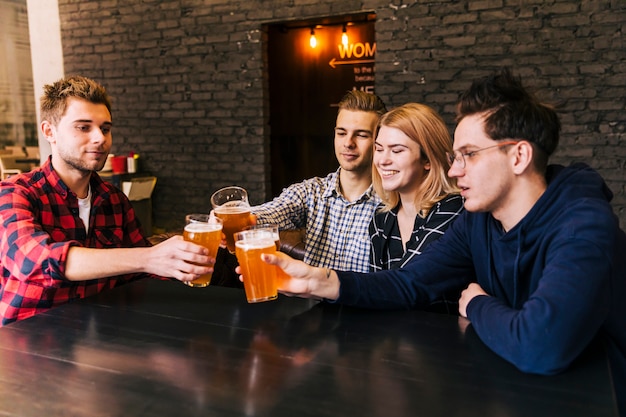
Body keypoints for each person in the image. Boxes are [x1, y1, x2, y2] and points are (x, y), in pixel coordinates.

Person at [261, 68, 626, 412]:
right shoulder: (477, 222)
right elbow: (409, 283)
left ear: (519, 156)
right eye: (455, 157)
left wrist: (479, 304)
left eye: (468, 155)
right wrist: (318, 280)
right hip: (523, 391)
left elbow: (542, 346)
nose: (453, 170)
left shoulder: (583, 225)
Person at [0, 75, 213, 326]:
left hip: (99, 338)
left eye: (105, 128)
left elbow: (139, 276)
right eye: (83, 127)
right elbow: (35, 261)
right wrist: (149, 257)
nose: (100, 138)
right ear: (50, 131)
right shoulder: (15, 193)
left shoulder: (113, 200)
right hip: (28, 341)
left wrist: (187, 263)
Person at [251, 90, 387, 273]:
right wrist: (238, 218)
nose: (348, 143)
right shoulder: (311, 192)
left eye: (361, 135)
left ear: (379, 141)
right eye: (341, 133)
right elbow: (271, 212)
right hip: (311, 301)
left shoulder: (392, 202)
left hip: (363, 301)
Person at [369, 103, 464, 313]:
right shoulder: (381, 219)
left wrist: (325, 281)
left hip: (446, 339)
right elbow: (376, 293)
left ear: (427, 160)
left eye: (396, 150)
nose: (383, 160)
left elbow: (402, 285)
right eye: (378, 149)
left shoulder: (453, 209)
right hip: (395, 335)